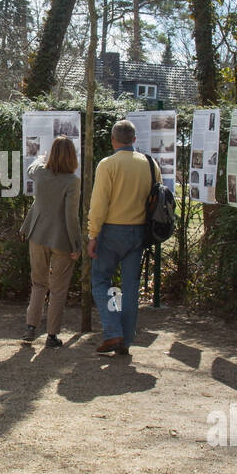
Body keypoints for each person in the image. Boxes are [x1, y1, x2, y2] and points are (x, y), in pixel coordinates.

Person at [87, 119, 154, 356]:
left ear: (113, 140)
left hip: (112, 231)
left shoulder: (108, 165)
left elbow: (99, 203)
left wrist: (93, 234)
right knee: (130, 288)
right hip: (139, 232)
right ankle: (125, 340)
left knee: (100, 280)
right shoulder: (149, 163)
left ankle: (113, 330)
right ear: (134, 140)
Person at [20, 135, 82, 348]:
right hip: (61, 240)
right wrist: (77, 244)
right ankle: (52, 335)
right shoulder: (72, 181)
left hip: (37, 234)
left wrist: (41, 157)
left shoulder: (40, 173)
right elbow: (71, 217)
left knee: (38, 283)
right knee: (58, 289)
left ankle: (31, 327)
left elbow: (33, 167)